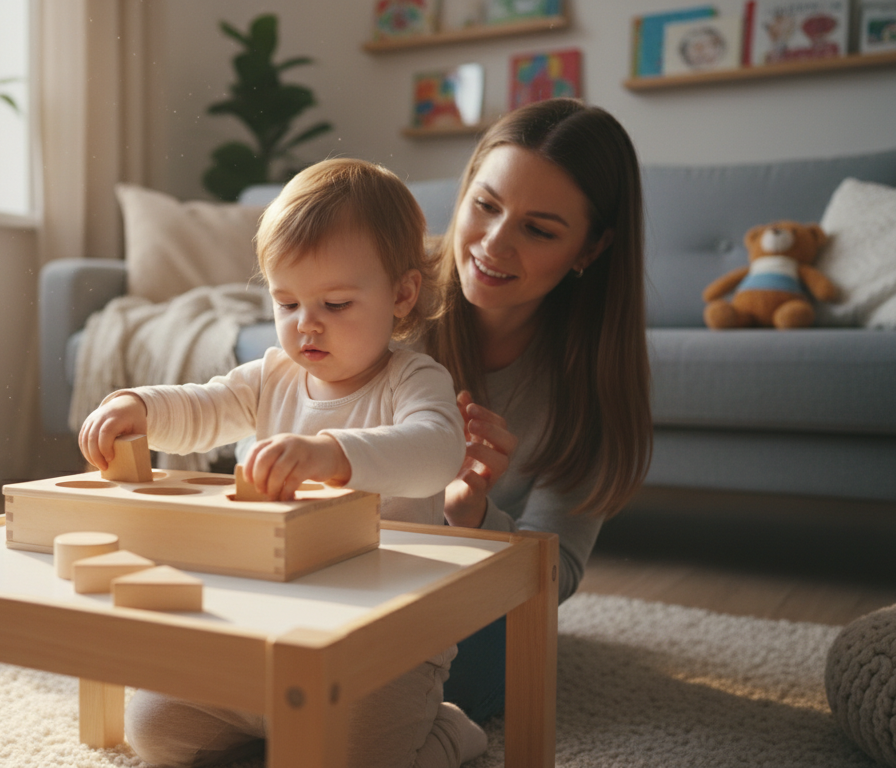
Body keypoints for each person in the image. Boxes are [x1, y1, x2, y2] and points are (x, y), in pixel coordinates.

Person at [78, 158, 487, 767]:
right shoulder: (274, 375)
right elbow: (207, 406)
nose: (306, 325)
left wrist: (331, 454)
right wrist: (142, 406)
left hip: (379, 650)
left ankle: (449, 731)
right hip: (259, 631)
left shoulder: (413, 380)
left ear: (401, 295)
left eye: (336, 303)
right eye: (286, 301)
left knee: (360, 757)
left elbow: (436, 452)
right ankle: (274, 731)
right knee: (154, 728)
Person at [423, 98, 654, 723]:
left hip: (456, 598)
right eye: (486, 205)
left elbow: (557, 573)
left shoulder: (593, 380)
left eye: (539, 230)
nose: (494, 244)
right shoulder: (389, 289)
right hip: (341, 559)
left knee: (480, 675)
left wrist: (473, 518)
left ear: (591, 247)